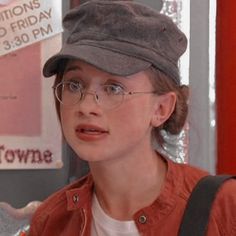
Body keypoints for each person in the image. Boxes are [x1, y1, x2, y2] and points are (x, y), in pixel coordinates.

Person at [28, 0, 236, 235]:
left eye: (113, 88)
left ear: (161, 109)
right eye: (75, 85)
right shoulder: (50, 221)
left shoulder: (224, 208)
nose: (86, 106)